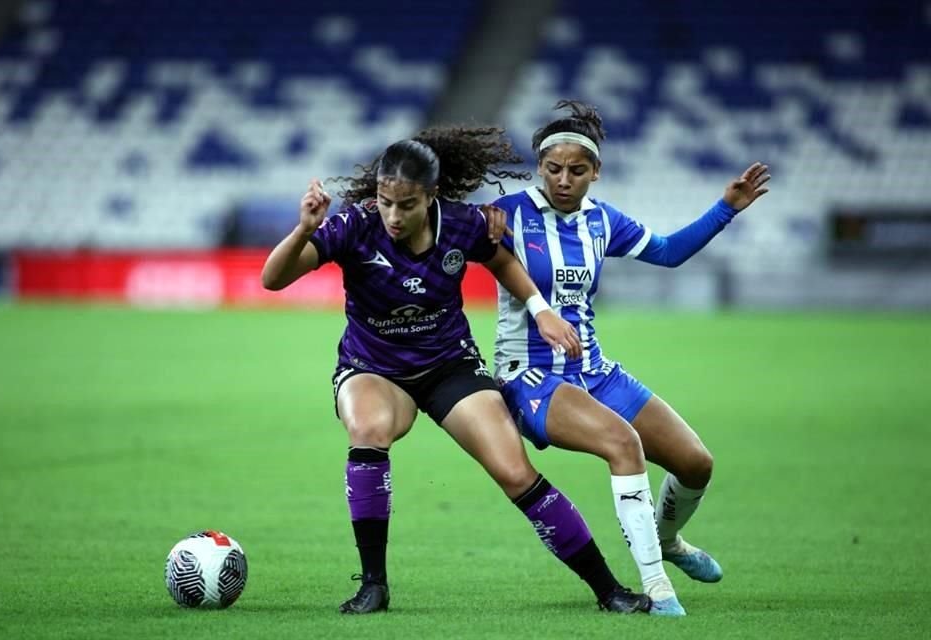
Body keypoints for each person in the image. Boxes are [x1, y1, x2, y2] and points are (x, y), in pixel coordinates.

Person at [261, 125, 653, 615]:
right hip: (373, 366)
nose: (393, 215)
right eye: (385, 202)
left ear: (431, 196)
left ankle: (608, 590)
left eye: (406, 204)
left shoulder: (464, 224)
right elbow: (272, 280)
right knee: (369, 429)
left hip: (449, 365)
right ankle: (374, 585)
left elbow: (505, 262)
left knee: (515, 472)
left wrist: (541, 310)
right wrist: (304, 228)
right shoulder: (355, 226)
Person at [491, 100, 771, 616]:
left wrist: (726, 206)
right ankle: (656, 586)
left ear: (596, 171)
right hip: (529, 375)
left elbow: (666, 251)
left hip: (594, 370)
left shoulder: (603, 221)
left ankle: (666, 542)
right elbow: (437, 234)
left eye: (577, 170)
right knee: (624, 443)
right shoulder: (505, 215)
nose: (564, 179)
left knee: (695, 463)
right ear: (540, 167)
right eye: (554, 169)